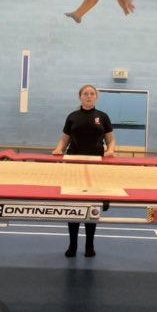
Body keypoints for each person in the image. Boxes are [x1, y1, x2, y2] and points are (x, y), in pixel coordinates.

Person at [52, 84, 115, 257]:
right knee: (74, 205)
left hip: (96, 165)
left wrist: (110, 151)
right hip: (74, 164)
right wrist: (59, 150)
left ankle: (89, 245)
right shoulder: (72, 117)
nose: (89, 96)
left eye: (92, 94)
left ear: (96, 97)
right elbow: (64, 140)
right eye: (85, 94)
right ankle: (72, 245)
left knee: (91, 205)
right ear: (80, 97)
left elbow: (111, 140)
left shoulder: (103, 117)